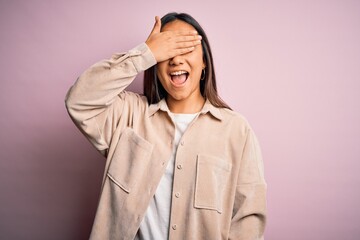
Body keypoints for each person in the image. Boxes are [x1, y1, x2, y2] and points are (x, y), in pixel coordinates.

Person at [65, 12, 267, 240]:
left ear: (204, 63)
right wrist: (145, 54)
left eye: (186, 48)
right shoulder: (129, 114)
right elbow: (78, 101)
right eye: (167, 49)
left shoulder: (236, 131)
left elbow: (248, 218)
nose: (176, 59)